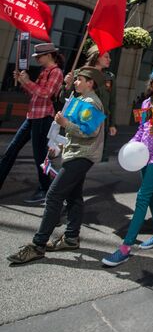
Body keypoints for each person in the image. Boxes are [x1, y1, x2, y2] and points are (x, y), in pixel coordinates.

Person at [7, 67, 105, 264]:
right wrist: (60, 144)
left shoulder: (92, 102)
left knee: (53, 195)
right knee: (74, 196)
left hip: (82, 156)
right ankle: (70, 238)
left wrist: (64, 123)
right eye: (76, 80)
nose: (76, 82)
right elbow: (74, 133)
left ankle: (38, 245)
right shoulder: (81, 101)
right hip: (75, 153)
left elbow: (89, 131)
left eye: (80, 80)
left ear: (90, 83)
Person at [102, 67, 153, 266]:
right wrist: (131, 144)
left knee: (143, 195)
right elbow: (141, 129)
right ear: (152, 86)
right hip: (143, 155)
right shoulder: (146, 104)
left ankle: (126, 246)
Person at [0, 41, 64, 205]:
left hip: (43, 117)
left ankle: (47, 188)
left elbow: (46, 94)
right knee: (11, 151)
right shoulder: (45, 71)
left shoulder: (56, 72)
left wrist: (27, 81)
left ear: (49, 55)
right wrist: (23, 82)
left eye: (39, 56)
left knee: (40, 157)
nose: (37, 59)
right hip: (32, 116)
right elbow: (34, 94)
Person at [61, 45, 118, 160]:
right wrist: (67, 86)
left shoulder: (110, 77)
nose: (109, 60)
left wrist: (112, 124)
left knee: (90, 156)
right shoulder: (78, 74)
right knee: (78, 155)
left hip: (101, 122)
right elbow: (66, 99)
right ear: (97, 57)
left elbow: (112, 102)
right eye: (106, 57)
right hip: (81, 120)